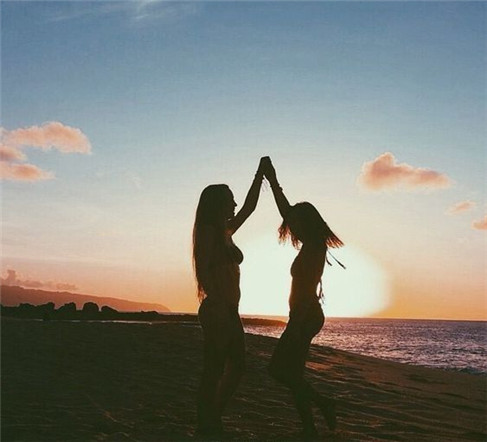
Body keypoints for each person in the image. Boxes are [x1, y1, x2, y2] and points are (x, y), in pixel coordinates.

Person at [263, 157, 342, 439]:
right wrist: (272, 181)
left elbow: (307, 289)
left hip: (305, 315)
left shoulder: (314, 247)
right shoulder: (312, 244)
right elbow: (287, 212)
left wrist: (296, 323)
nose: (291, 226)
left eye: (297, 222)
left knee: (278, 370)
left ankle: (322, 405)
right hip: (303, 314)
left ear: (305, 223)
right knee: (292, 374)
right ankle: (309, 427)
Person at [192, 158, 266, 438]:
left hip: (229, 309)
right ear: (218, 204)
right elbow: (203, 271)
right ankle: (207, 423)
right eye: (229, 200)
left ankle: (212, 416)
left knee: (236, 366)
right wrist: (220, 303)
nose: (234, 204)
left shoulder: (225, 231)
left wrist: (261, 175)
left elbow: (248, 208)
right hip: (218, 309)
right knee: (214, 369)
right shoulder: (209, 232)